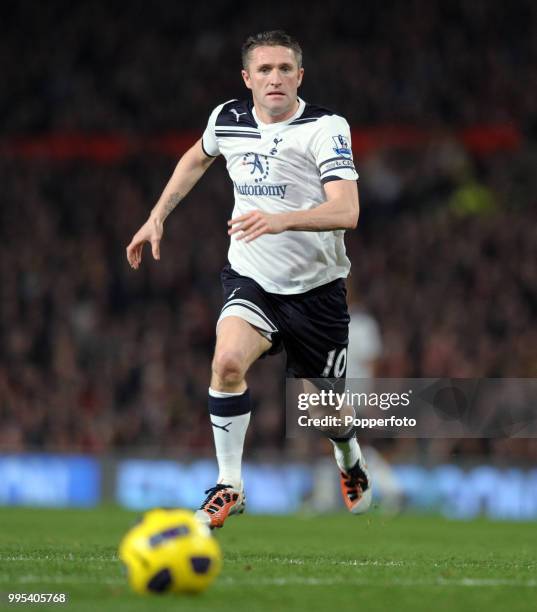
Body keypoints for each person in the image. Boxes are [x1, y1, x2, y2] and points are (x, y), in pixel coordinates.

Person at [126, 30, 371, 528]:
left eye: (285, 69)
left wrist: (283, 219)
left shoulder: (325, 128)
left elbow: (348, 210)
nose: (275, 78)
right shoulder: (228, 119)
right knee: (227, 361)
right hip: (252, 276)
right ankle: (229, 484)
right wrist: (157, 215)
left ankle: (349, 457)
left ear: (300, 76)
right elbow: (197, 157)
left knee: (327, 415)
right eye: (264, 70)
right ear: (247, 79)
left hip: (316, 291)